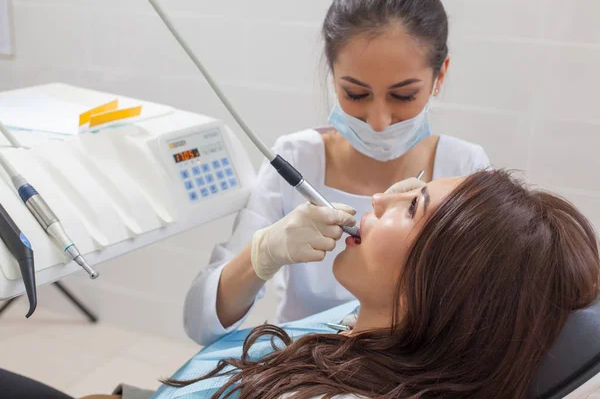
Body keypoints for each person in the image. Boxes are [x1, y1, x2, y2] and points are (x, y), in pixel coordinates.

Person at [6, 170, 600, 398]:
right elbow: (202, 318)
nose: (375, 201)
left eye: (409, 206)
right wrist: (261, 255)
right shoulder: (376, 329)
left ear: (444, 283)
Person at [184, 0, 491, 347]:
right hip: (303, 369)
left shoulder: (465, 170)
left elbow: (495, 314)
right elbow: (201, 323)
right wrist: (263, 254)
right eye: (355, 93)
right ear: (333, 76)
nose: (379, 122)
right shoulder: (296, 157)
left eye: (403, 95)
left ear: (440, 75)